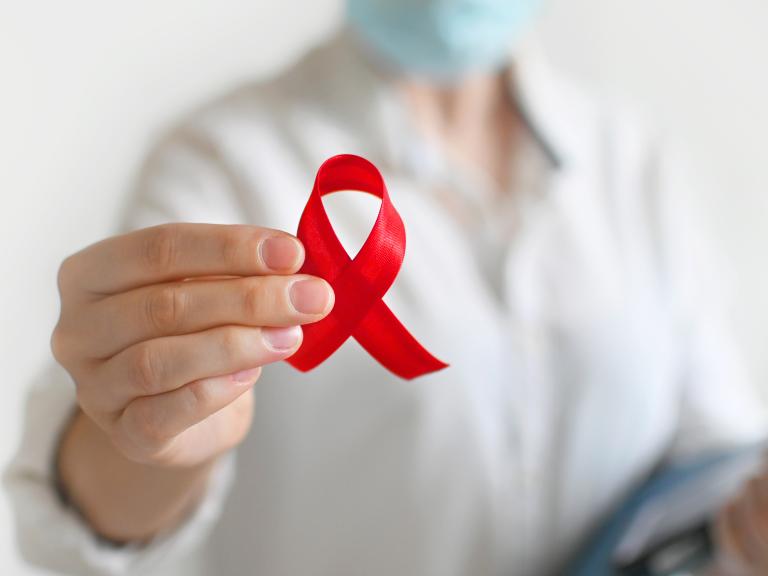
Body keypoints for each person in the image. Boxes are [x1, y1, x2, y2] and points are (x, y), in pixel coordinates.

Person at [6, 1, 768, 575]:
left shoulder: (633, 162)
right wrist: (149, 436)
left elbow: (711, 460)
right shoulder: (224, 163)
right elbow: (89, 514)